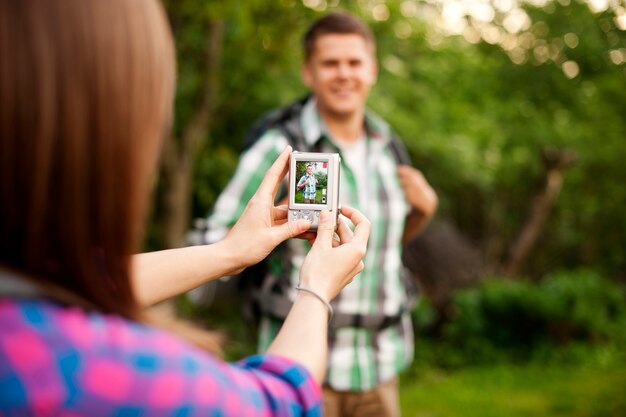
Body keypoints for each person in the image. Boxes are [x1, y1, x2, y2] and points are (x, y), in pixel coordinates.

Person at [0, 1, 371, 415]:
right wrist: (317, 289)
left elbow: (82, 281)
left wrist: (228, 254)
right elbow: (280, 403)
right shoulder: (120, 374)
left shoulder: (386, 148)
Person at [205, 11, 438, 417]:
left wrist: (423, 213)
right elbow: (215, 245)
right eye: (330, 63)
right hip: (299, 374)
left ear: (373, 70)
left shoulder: (390, 150)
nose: (344, 74)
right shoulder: (279, 148)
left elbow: (380, 249)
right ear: (308, 72)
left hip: (381, 368)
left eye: (354, 62)